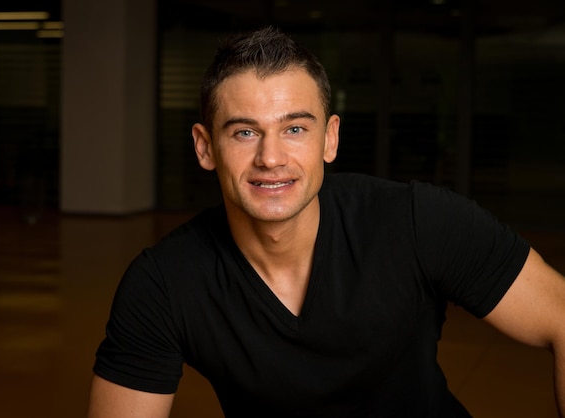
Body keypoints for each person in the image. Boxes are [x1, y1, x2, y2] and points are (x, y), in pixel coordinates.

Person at [88, 26, 565, 417]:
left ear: (329, 139)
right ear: (205, 147)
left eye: (295, 129)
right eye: (245, 132)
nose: (270, 157)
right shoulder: (163, 284)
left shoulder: (418, 221)